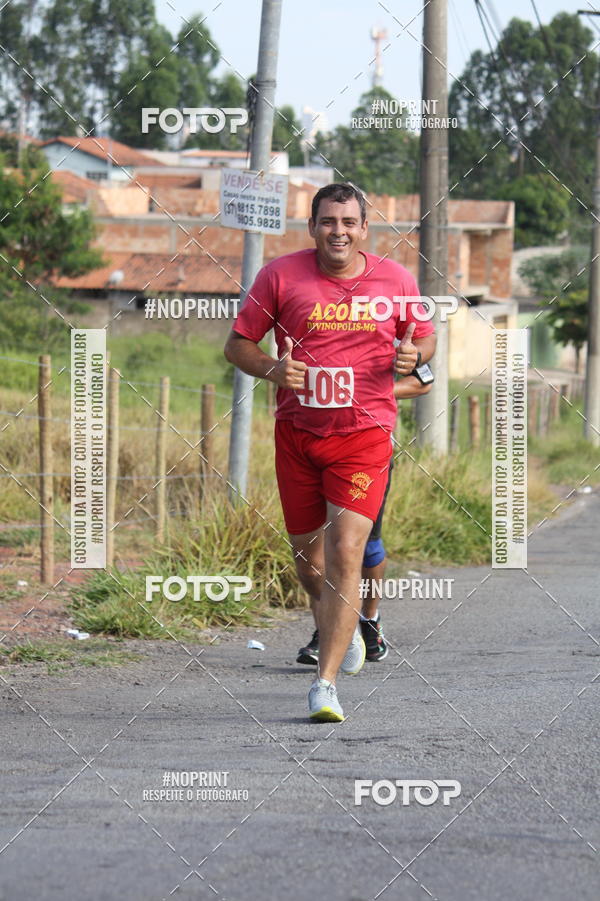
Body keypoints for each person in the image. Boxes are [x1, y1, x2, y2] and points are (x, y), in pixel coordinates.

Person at [224, 182, 436, 722]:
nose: (337, 231)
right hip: (297, 435)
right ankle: (339, 624)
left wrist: (413, 355)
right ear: (312, 227)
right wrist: (273, 368)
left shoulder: (396, 280)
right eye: (326, 221)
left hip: (364, 437)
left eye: (348, 222)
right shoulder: (279, 276)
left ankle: (326, 684)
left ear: (365, 229)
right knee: (307, 559)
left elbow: (424, 339)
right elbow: (237, 344)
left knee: (347, 552)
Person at [295, 373, 433, 666]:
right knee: (317, 551)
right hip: (311, 446)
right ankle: (326, 630)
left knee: (364, 547)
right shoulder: (313, 329)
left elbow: (423, 381)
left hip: (368, 450)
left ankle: (369, 619)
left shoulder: (390, 332)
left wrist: (368, 391)